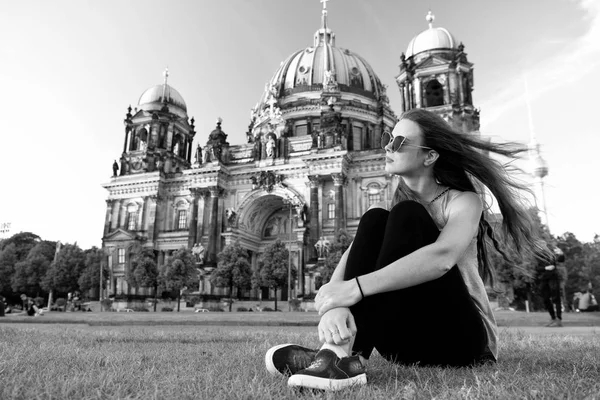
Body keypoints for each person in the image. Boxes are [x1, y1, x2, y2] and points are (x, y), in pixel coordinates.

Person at [264, 108, 553, 391]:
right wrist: (334, 303)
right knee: (375, 218)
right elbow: (352, 254)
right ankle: (337, 354)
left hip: (463, 342)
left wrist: (355, 289)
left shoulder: (464, 201)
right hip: (402, 346)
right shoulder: (392, 207)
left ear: (430, 155)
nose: (389, 146)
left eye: (400, 142)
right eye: (388, 138)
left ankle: (335, 358)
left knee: (406, 213)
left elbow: (442, 258)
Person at [537, 246, 565, 326]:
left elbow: (561, 259)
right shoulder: (539, 257)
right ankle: (553, 318)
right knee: (545, 299)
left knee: (556, 298)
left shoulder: (552, 255)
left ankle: (559, 319)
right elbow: (538, 268)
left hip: (553, 278)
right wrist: (546, 268)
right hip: (544, 279)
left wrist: (561, 253)